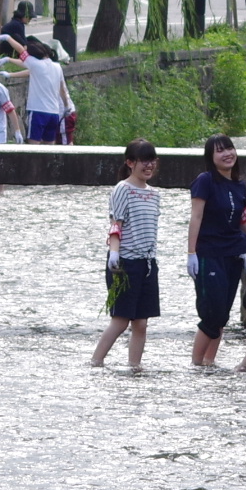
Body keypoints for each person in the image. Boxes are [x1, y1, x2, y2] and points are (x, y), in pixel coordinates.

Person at [184, 134, 246, 368]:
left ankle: (210, 362)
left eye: (229, 148)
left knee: (222, 313)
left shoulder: (238, 185)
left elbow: (244, 221)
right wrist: (191, 252)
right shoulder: (205, 181)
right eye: (219, 151)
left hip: (233, 255)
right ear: (211, 157)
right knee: (211, 313)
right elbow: (197, 216)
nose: (227, 154)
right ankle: (196, 365)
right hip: (209, 254)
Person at [90, 139, 161, 372]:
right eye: (144, 161)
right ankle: (96, 362)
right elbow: (116, 224)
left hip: (148, 263)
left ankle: (135, 366)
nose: (149, 166)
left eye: (152, 161)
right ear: (130, 163)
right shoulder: (123, 189)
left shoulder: (154, 194)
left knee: (141, 322)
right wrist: (114, 253)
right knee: (120, 320)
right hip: (124, 263)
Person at [21, 38, 71, 145]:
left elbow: (21, 51)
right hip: (54, 113)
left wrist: (8, 38)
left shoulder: (35, 64)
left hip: (37, 111)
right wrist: (66, 106)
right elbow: (62, 89)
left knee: (33, 148)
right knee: (49, 148)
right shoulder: (57, 67)